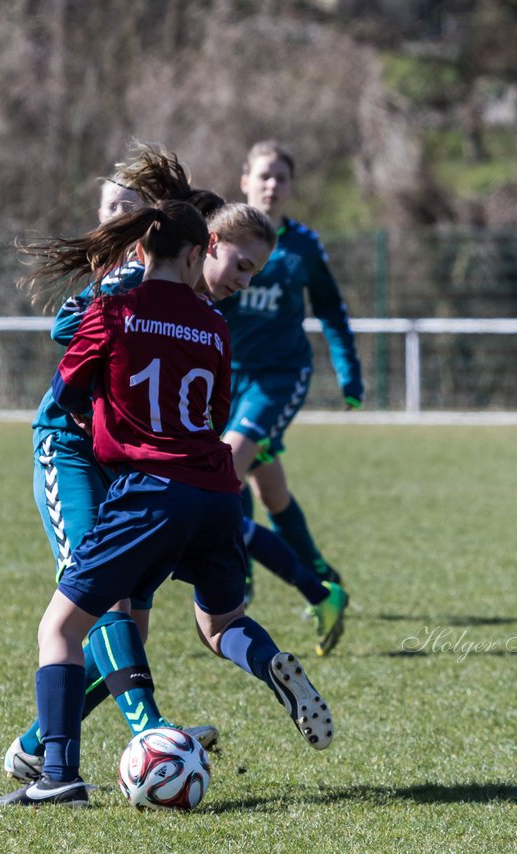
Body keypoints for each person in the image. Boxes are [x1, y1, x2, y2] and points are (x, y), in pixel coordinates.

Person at [1, 146, 343, 784]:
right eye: (237, 267)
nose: (242, 283)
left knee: (96, 620)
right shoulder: (154, 297)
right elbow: (71, 335)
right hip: (81, 449)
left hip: (144, 475)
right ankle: (131, 733)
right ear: (200, 249)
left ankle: (69, 757)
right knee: (125, 618)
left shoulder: (202, 313)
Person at [219, 140, 362, 640]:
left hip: (278, 378)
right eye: (264, 175)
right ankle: (324, 577)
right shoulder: (219, 238)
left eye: (281, 176)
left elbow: (331, 308)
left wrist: (349, 372)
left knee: (224, 470)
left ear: (291, 185)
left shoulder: (302, 245)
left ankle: (239, 576)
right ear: (245, 181)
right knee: (270, 491)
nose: (272, 184)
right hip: (223, 379)